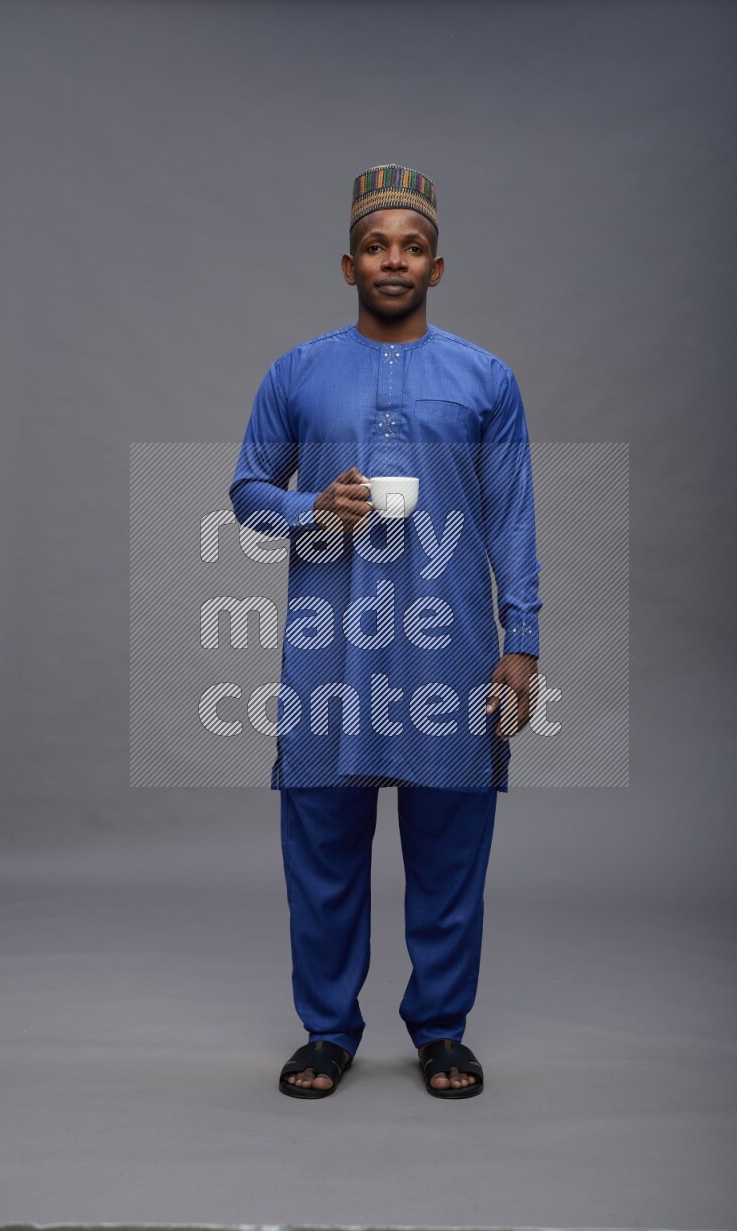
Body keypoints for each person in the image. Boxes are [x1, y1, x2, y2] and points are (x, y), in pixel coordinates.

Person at [229, 164, 541, 1099]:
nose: (393, 260)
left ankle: (442, 1030)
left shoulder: (485, 378)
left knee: (450, 851)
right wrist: (310, 507)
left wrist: (521, 642)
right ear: (348, 265)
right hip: (331, 652)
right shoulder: (298, 372)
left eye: (411, 247)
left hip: (452, 652)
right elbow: (246, 492)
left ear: (436, 267)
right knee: (322, 851)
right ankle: (327, 1031)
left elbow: (512, 518)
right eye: (375, 246)